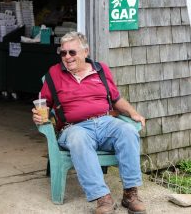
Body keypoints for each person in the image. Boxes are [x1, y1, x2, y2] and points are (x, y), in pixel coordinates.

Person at [32, 31, 146, 214]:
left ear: (85, 52)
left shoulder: (101, 70)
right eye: (63, 53)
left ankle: (130, 193)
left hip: (105, 122)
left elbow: (116, 99)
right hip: (74, 128)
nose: (67, 57)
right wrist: (38, 116)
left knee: (128, 131)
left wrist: (133, 113)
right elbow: (43, 104)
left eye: (72, 52)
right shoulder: (54, 74)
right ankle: (103, 198)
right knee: (79, 138)